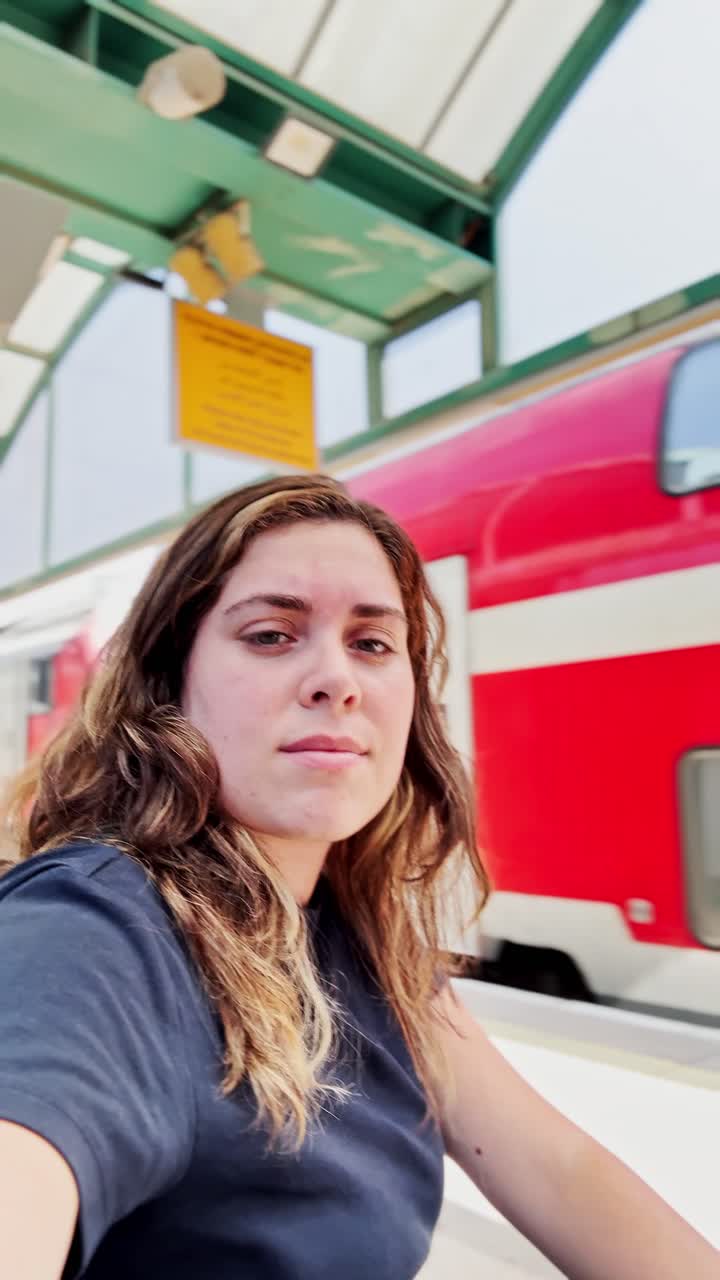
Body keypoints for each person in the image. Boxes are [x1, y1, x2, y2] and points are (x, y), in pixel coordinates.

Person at [0, 473, 716, 1280]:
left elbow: (558, 1169)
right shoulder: (92, 925)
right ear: (170, 686)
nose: (336, 680)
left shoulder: (364, 944)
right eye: (271, 634)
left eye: (373, 644)